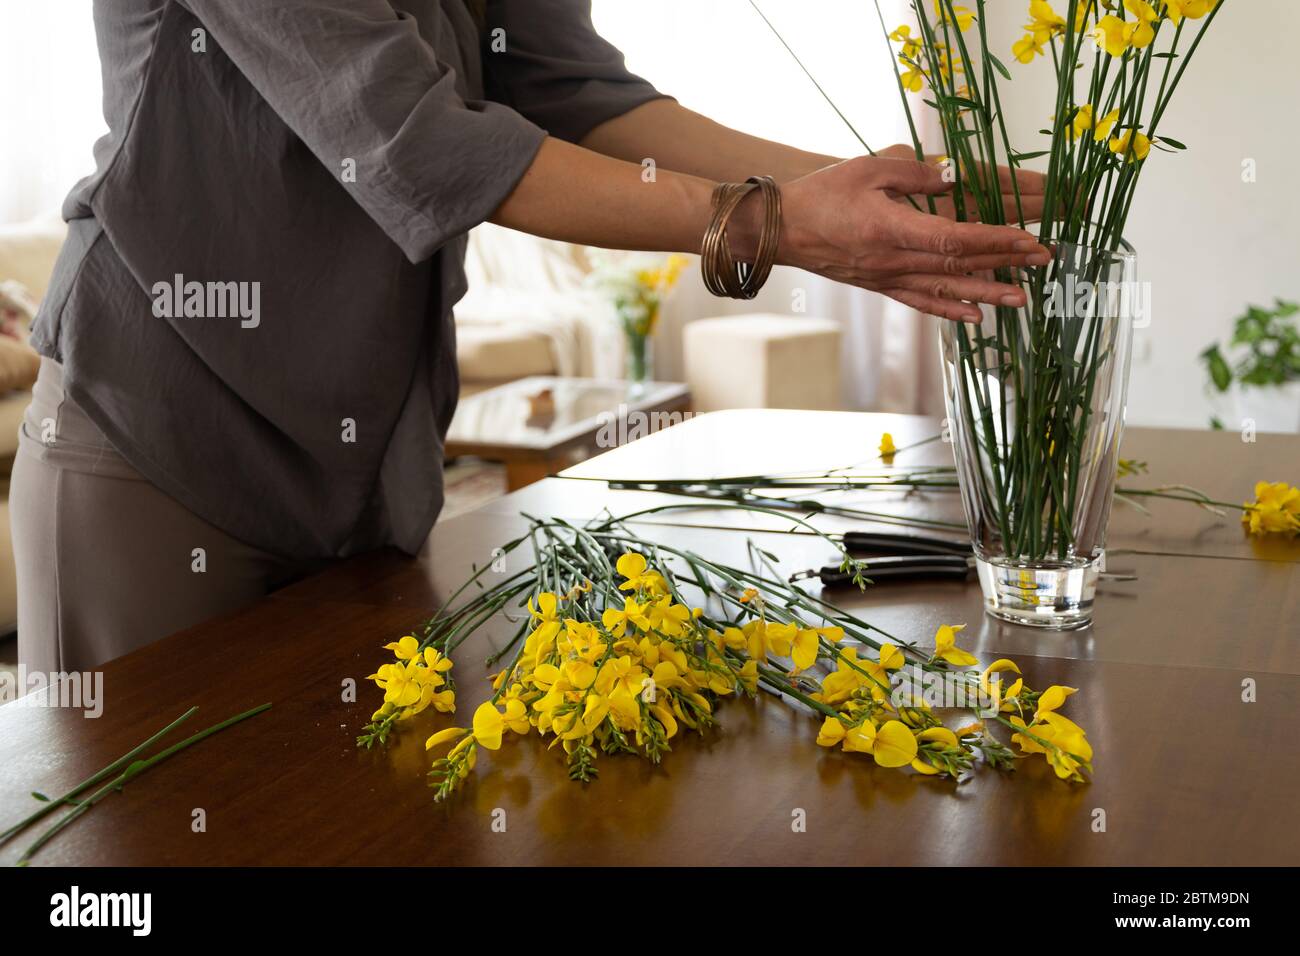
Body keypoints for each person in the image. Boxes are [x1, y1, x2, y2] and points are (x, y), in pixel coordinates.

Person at [12, 0, 1048, 673]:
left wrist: (852, 192)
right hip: (160, 447)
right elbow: (410, 140)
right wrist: (782, 224)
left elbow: (571, 91)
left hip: (369, 462)